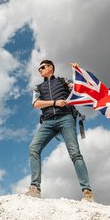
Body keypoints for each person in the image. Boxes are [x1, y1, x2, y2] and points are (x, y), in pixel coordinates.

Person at [26, 60, 94, 202]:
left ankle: (87, 192)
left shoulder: (63, 81)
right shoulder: (38, 87)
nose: (40, 70)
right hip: (48, 121)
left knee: (75, 153)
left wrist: (78, 72)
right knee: (34, 148)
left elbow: (79, 89)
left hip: (66, 119)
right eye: (39, 69)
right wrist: (55, 103)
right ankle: (35, 188)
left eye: (43, 67)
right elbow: (36, 104)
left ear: (51, 68)